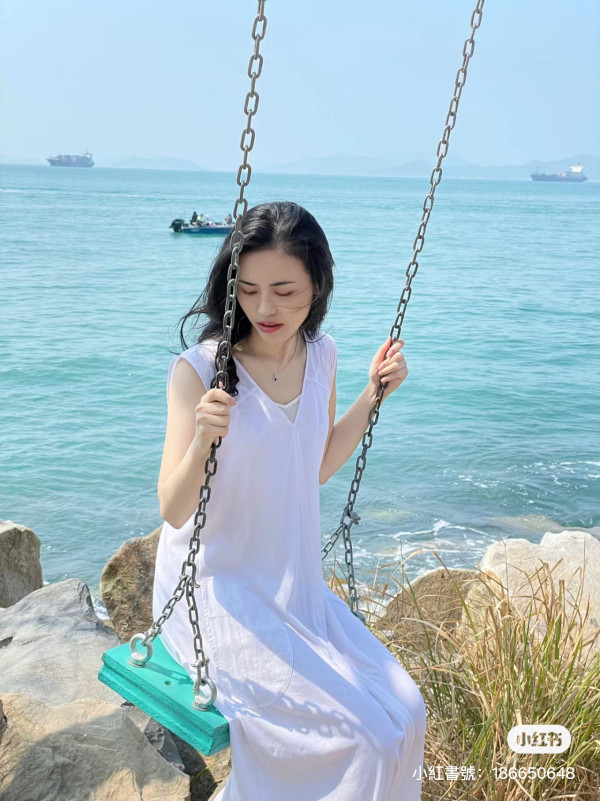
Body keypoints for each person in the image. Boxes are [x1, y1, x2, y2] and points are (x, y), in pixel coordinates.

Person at [154, 201, 426, 801]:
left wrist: (373, 394)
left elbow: (316, 465)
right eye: (248, 290)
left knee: (408, 712)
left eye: (284, 291)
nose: (264, 309)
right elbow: (172, 509)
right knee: (363, 741)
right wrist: (202, 439)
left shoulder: (321, 354)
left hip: (294, 584)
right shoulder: (200, 371)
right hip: (220, 592)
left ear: (317, 286)